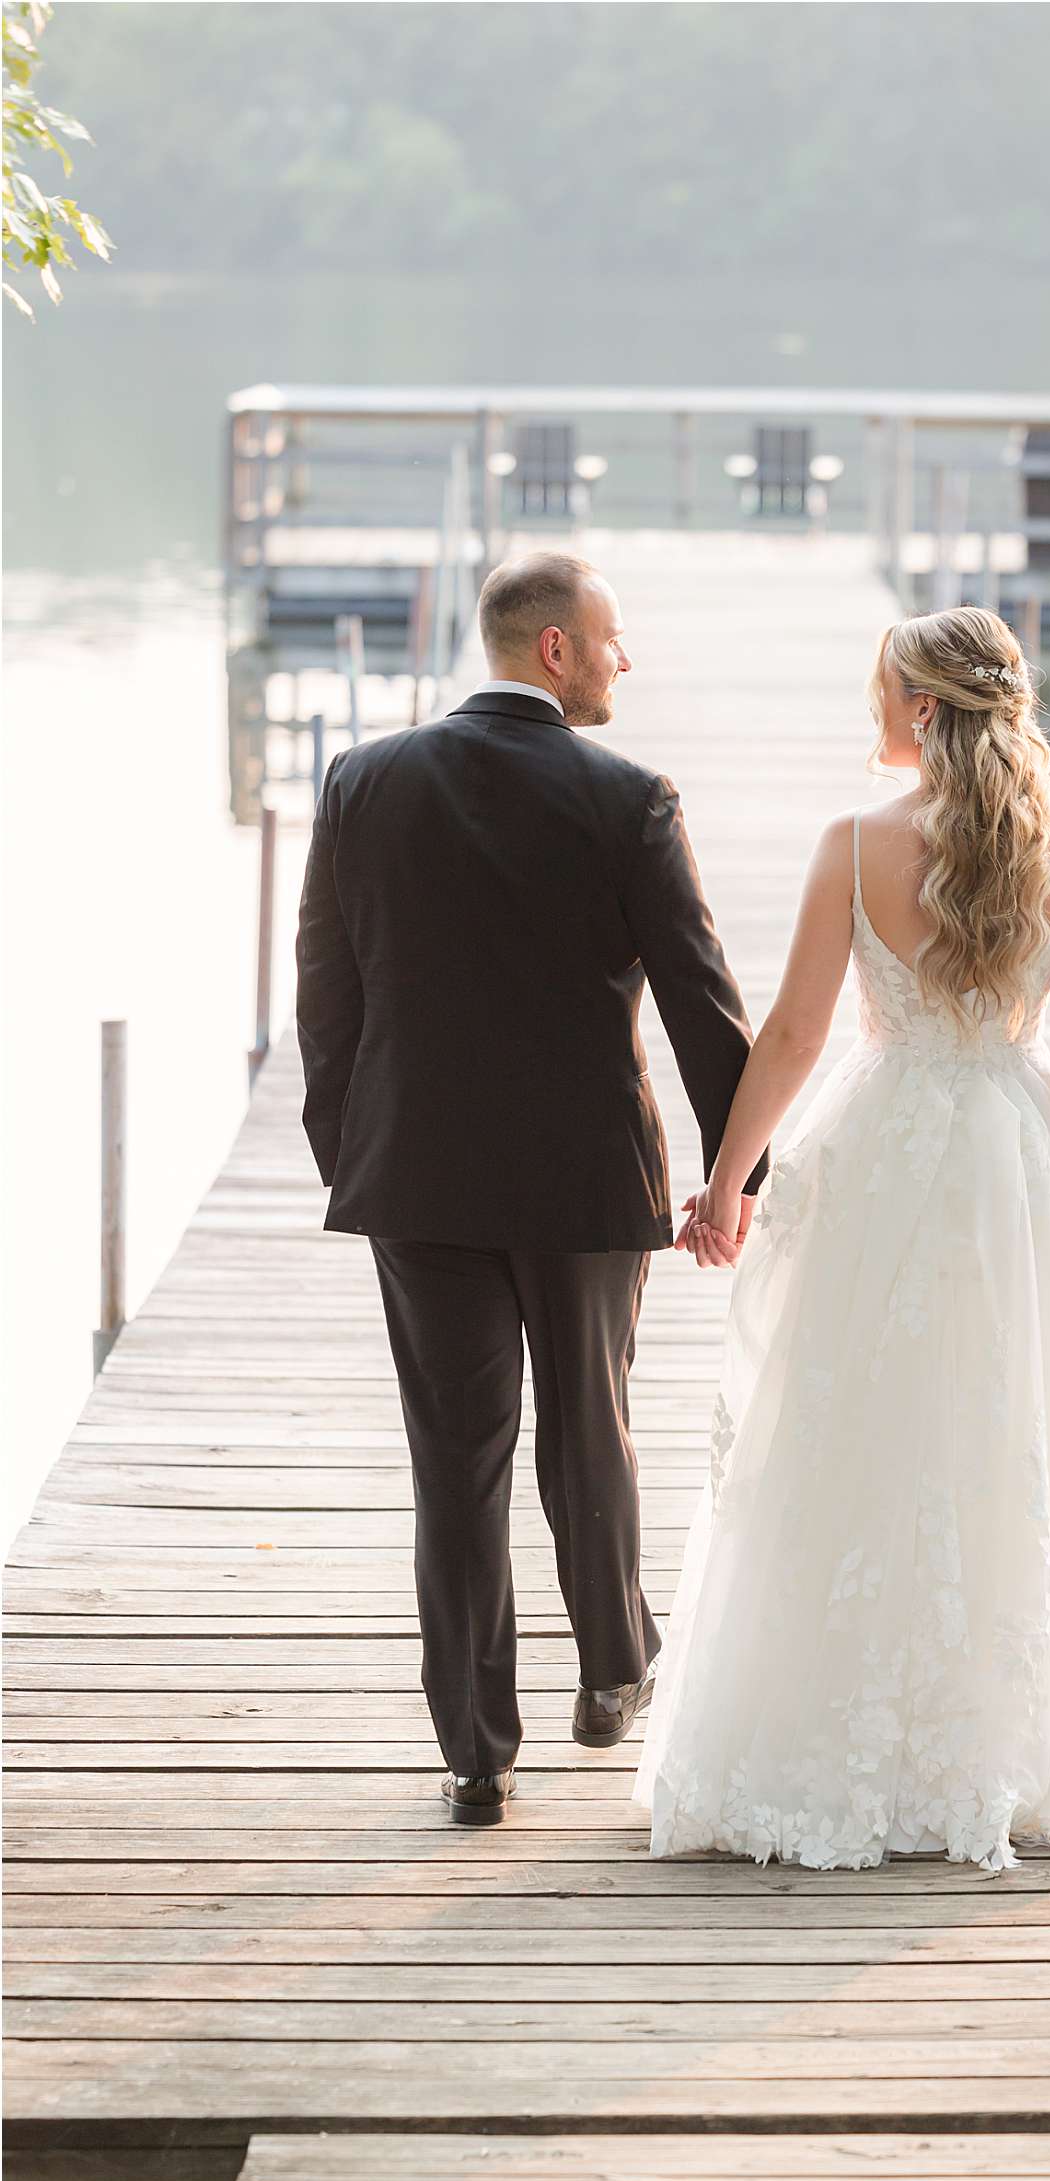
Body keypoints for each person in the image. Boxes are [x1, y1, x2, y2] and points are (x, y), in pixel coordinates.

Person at [634, 604, 1050, 1873]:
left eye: (880, 691)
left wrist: (727, 1178)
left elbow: (794, 1037)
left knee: (851, 1423)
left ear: (922, 708)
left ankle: (837, 1737)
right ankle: (995, 1747)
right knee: (1008, 1429)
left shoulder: (855, 846)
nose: (867, 713)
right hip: (1018, 1164)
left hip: (881, 1152)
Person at [294, 551, 767, 1825]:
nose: (626, 659)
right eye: (612, 638)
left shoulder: (361, 781)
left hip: (418, 1176)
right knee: (588, 1427)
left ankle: (473, 1752)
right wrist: (736, 1173)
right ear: (553, 649)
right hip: (580, 1176)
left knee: (454, 1460)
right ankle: (612, 1669)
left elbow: (326, 989)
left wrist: (350, 1150)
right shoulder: (628, 797)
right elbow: (700, 1005)